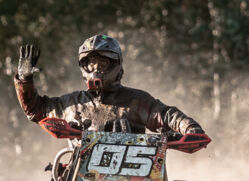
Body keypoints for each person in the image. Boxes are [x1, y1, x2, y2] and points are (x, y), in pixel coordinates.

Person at [14, 34, 206, 138]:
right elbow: (36, 110)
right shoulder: (71, 104)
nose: (96, 68)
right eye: (91, 63)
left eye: (103, 63)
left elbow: (165, 114)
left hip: (136, 178)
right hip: (79, 180)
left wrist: (189, 128)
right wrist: (24, 79)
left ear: (116, 66)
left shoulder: (136, 100)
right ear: (83, 67)